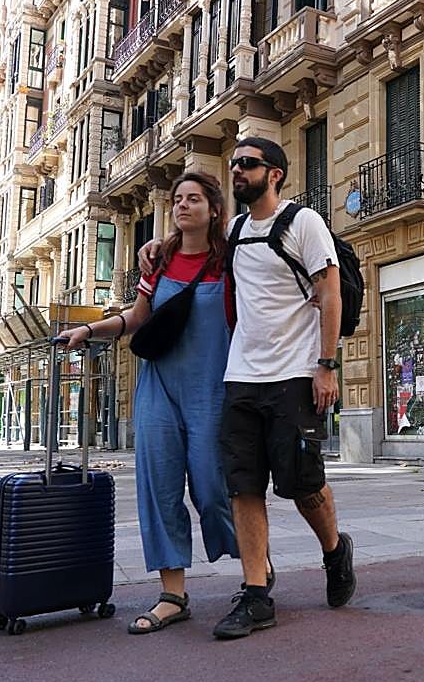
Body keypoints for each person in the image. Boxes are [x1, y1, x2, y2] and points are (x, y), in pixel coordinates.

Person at [140, 137, 353, 640]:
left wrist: (326, 366)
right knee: (243, 486)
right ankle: (257, 596)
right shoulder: (233, 231)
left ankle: (334, 549)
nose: (237, 171)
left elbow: (329, 291)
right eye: (234, 164)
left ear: (274, 173)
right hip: (241, 379)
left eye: (248, 165)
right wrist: (156, 245)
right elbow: (193, 244)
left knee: (302, 484)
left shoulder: (304, 223)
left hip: (295, 375)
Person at [60, 171, 239, 634]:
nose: (182, 205)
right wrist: (91, 330)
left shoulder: (230, 260)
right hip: (158, 386)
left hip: (212, 389)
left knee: (213, 489)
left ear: (213, 209)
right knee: (158, 490)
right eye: (178, 199)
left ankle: (253, 563)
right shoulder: (158, 262)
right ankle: (172, 594)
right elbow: (138, 318)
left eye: (194, 198)